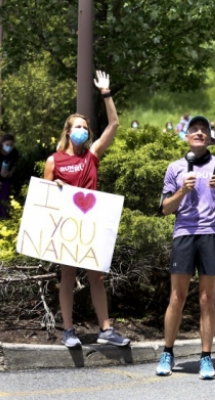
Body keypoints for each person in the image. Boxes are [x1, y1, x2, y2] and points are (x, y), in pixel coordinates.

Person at [43, 71, 130, 348]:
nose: (83, 131)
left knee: (97, 276)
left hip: (91, 221)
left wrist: (106, 93)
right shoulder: (53, 160)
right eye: (78, 127)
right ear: (69, 131)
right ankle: (68, 330)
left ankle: (105, 329)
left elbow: (114, 124)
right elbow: (43, 201)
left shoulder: (92, 154)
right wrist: (53, 186)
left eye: (86, 128)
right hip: (67, 226)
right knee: (67, 276)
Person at [157, 115, 215, 379]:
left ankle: (206, 358)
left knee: (207, 299)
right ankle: (167, 353)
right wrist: (181, 191)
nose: (199, 133)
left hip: (211, 234)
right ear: (186, 136)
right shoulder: (175, 167)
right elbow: (165, 209)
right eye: (194, 130)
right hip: (184, 233)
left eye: (204, 130)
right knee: (177, 297)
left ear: (210, 137)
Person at [0, 133, 19, 218]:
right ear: (2, 143)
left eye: (11, 145)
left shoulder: (14, 152)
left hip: (6, 176)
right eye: (7, 144)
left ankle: (3, 215)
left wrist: (10, 173)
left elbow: (15, 164)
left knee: (5, 193)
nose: (9, 147)